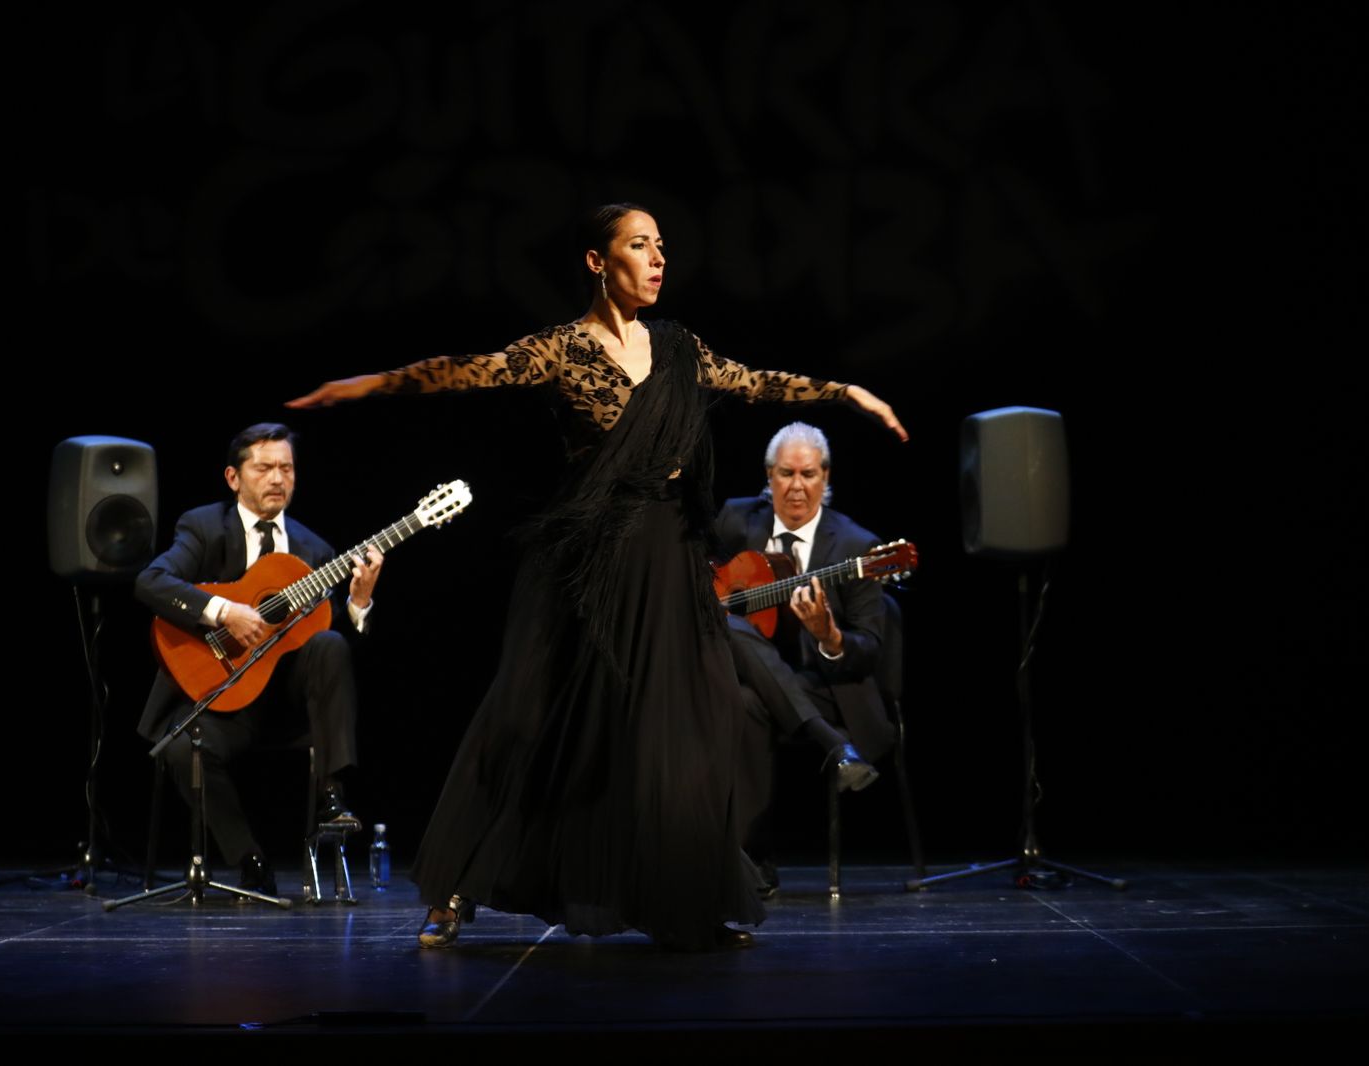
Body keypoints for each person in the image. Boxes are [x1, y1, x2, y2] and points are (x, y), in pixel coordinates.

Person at [288, 203, 907, 950]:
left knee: (672, 734)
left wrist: (850, 394)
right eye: (639, 246)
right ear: (597, 261)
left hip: (670, 555)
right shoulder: (564, 348)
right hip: (589, 558)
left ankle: (687, 902)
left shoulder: (679, 348)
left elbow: (757, 382)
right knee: (527, 717)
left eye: (661, 247)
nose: (656, 259)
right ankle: (458, 886)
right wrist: (371, 385)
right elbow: (472, 372)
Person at [134, 422, 383, 896]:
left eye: (286, 468)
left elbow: (348, 664)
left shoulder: (315, 552)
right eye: (264, 467)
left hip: (291, 707)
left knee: (330, 644)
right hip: (224, 696)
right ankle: (250, 861)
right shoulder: (204, 526)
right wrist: (224, 611)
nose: (277, 478)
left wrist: (360, 603)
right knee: (183, 748)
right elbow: (151, 582)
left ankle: (333, 796)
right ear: (234, 478)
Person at [716, 421, 894, 896]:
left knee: (747, 701)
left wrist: (829, 635)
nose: (797, 487)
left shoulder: (859, 547)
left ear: (826, 477)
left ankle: (748, 860)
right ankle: (830, 748)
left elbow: (870, 650)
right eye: (786, 473)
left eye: (809, 474)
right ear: (769, 476)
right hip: (745, 676)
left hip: (825, 686)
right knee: (730, 631)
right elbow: (695, 580)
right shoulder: (736, 521)